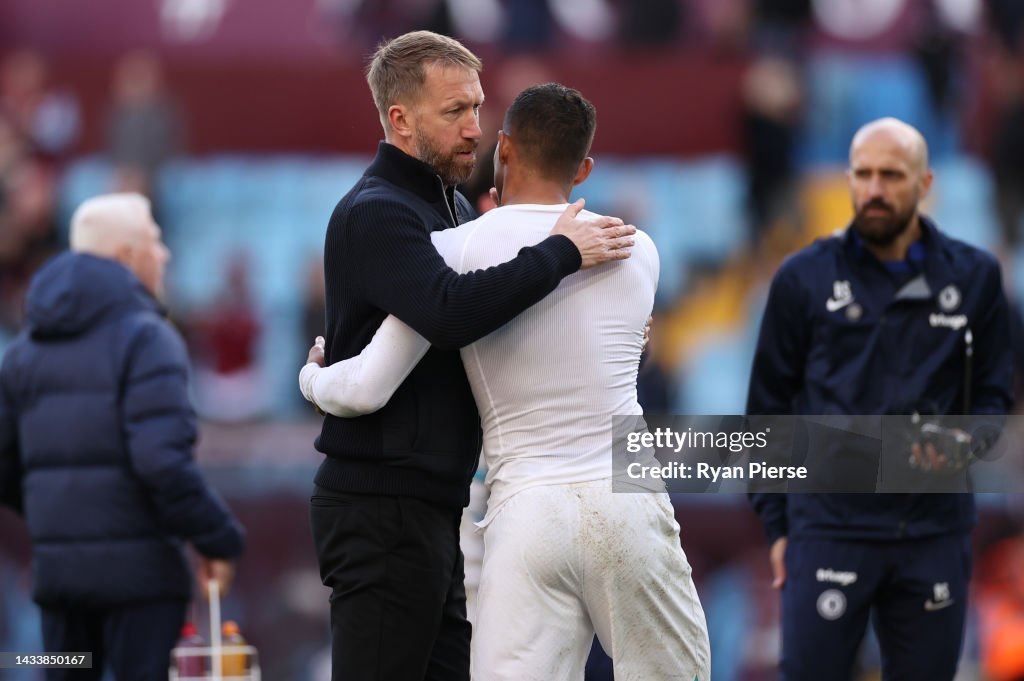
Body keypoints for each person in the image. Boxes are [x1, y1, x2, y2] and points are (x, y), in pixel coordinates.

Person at [301, 83, 710, 681]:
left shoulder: (452, 249)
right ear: (586, 167)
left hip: (525, 511)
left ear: (504, 151)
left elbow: (364, 388)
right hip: (627, 493)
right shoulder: (636, 249)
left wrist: (312, 377)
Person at [747, 118, 1014, 680]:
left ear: (924, 183)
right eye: (863, 174)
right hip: (827, 529)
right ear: (848, 179)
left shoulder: (976, 277)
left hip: (934, 533)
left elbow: (993, 396)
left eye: (891, 175)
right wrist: (776, 525)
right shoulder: (802, 279)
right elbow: (767, 410)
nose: (874, 189)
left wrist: (968, 442)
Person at [0, 193, 245, 680]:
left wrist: (63, 520)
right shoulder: (149, 338)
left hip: (59, 583)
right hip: (143, 585)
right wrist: (218, 538)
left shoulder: (24, 351)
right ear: (127, 256)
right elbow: (161, 461)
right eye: (154, 241)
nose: (165, 254)